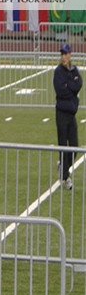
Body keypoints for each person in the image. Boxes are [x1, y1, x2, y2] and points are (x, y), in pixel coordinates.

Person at [53, 43, 82, 191]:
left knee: (75, 147)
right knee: (63, 146)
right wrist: (71, 87)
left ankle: (63, 168)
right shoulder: (58, 72)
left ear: (70, 54)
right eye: (62, 54)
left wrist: (69, 86)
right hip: (61, 113)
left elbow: (79, 84)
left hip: (72, 114)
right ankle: (66, 177)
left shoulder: (74, 70)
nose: (64, 56)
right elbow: (61, 91)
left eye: (66, 53)